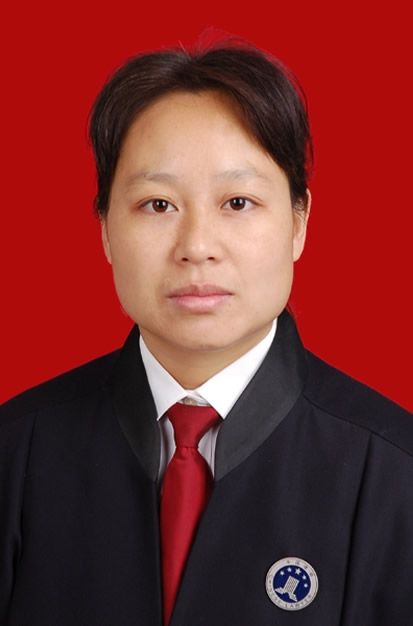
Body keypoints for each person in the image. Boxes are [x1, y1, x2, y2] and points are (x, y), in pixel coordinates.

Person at [1, 38, 412, 626]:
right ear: (105, 229)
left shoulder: (395, 474)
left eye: (238, 202)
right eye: (158, 204)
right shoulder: (15, 454)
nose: (196, 247)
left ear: (299, 222)